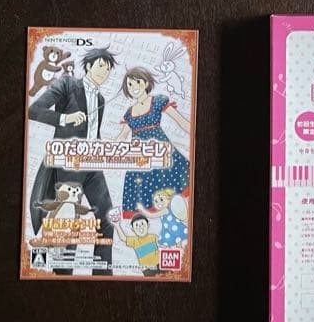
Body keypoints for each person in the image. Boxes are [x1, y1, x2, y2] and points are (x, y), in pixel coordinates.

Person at [28, 46, 118, 275]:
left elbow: (93, 133)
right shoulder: (67, 84)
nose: (104, 72)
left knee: (107, 217)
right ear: (88, 66)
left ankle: (103, 276)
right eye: (100, 66)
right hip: (68, 162)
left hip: (92, 164)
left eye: (108, 69)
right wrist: (65, 118)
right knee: (70, 222)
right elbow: (34, 110)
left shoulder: (101, 98)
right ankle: (63, 277)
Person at [111, 67, 192, 220]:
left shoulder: (157, 101)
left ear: (146, 82)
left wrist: (197, 134)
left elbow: (181, 122)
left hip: (161, 152)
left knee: (175, 193)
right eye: (129, 85)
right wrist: (105, 150)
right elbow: (122, 136)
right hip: (140, 158)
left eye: (137, 82)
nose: (133, 87)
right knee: (145, 197)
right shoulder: (129, 113)